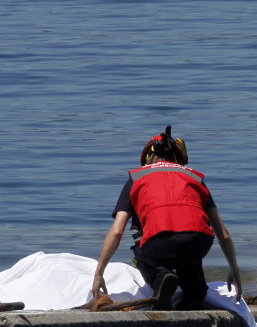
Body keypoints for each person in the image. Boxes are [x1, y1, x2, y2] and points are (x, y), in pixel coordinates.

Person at [91, 126, 242, 309]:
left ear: (147, 157)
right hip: (198, 243)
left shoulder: (137, 177)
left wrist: (99, 273)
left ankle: (161, 277)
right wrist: (234, 269)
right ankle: (194, 292)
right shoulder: (194, 177)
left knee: (142, 253)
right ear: (178, 157)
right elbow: (223, 234)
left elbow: (117, 231)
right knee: (189, 257)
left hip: (159, 243)